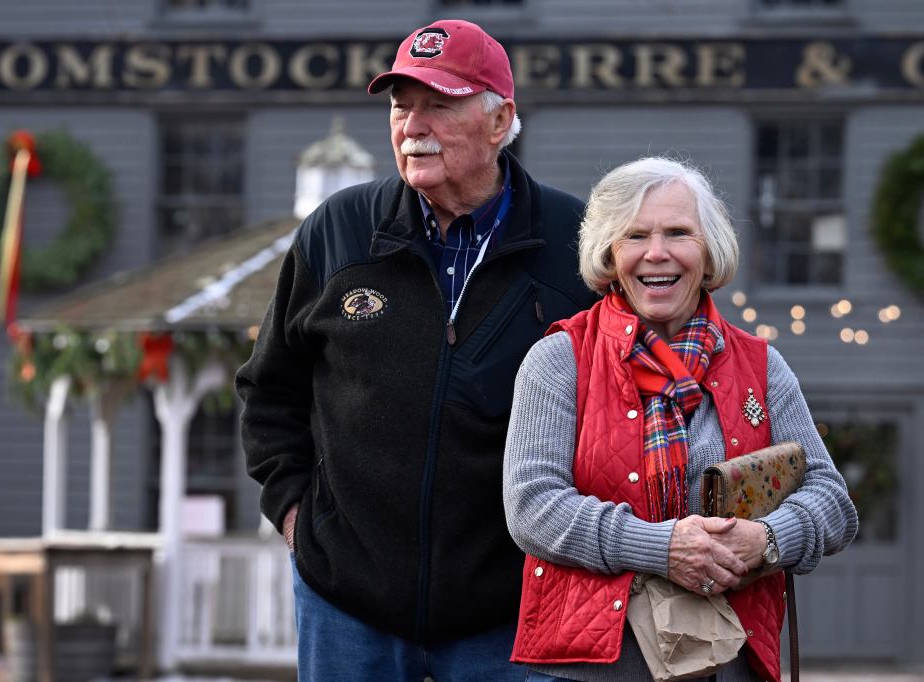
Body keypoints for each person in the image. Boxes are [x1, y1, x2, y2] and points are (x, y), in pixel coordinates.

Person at [235, 19, 596, 682]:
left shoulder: (574, 243)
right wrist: (296, 518)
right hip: (349, 607)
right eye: (401, 105)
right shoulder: (339, 231)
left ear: (500, 120)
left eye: (440, 104)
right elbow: (270, 392)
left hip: (512, 614)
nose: (412, 125)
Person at [502, 157, 858, 681]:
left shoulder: (760, 365)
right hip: (593, 663)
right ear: (609, 253)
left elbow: (831, 499)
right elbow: (532, 507)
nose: (657, 253)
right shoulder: (560, 359)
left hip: (728, 657)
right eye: (635, 236)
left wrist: (766, 539)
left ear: (709, 248)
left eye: (678, 233)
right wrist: (663, 548)